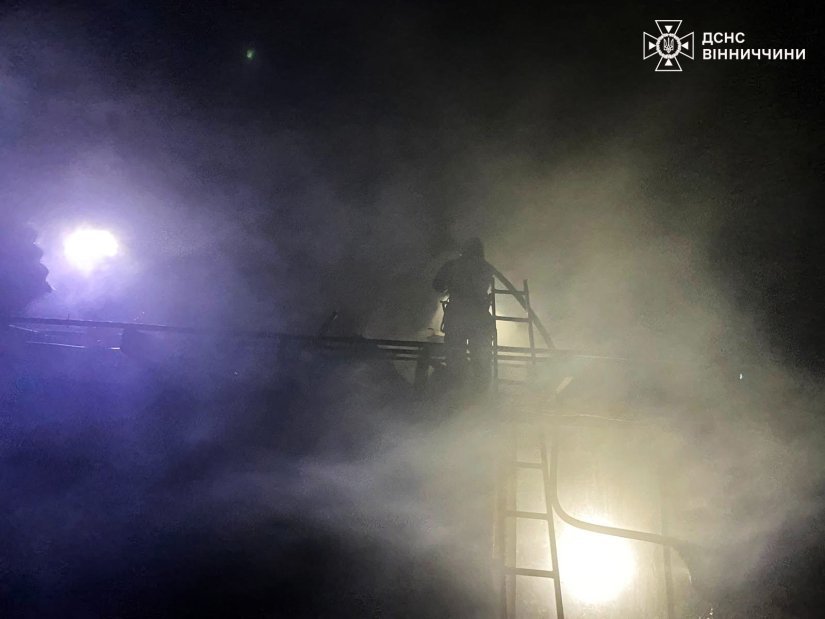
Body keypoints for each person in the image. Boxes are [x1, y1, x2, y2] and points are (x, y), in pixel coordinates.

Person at [432, 238, 495, 389]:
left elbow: (437, 285)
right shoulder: (487, 267)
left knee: (455, 355)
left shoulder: (453, 265)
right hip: (480, 319)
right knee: (481, 357)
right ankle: (480, 392)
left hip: (457, 317)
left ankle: (458, 388)